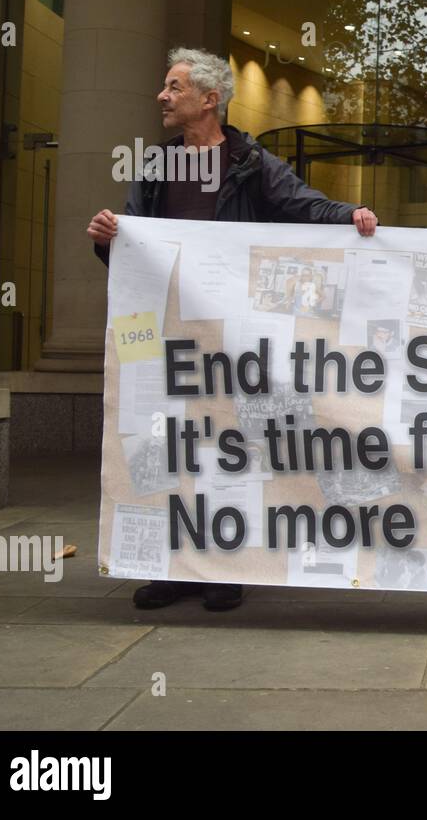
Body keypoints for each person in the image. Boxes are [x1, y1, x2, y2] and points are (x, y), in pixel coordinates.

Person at [87, 47, 380, 611]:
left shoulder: (249, 161)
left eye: (174, 87)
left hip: (232, 340)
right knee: (168, 446)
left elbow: (303, 206)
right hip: (170, 333)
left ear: (208, 98)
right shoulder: (156, 166)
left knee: (231, 448)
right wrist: (107, 239)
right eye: (165, 86)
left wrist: (350, 216)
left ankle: (227, 564)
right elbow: (130, 256)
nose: (162, 97)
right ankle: (175, 567)